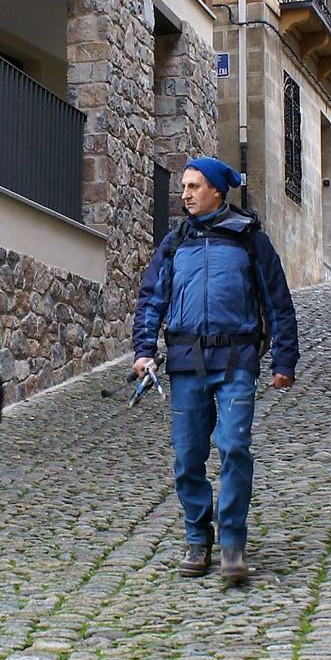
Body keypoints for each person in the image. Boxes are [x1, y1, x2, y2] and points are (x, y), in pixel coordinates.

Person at [132, 157, 298, 586]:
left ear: (218, 191)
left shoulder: (250, 242)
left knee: (234, 446)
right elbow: (152, 299)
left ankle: (232, 543)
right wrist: (144, 350)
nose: (185, 194)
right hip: (187, 364)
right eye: (184, 186)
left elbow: (278, 303)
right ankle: (196, 536)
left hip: (237, 361)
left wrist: (284, 360)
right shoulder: (173, 243)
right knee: (188, 455)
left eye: (194, 186)